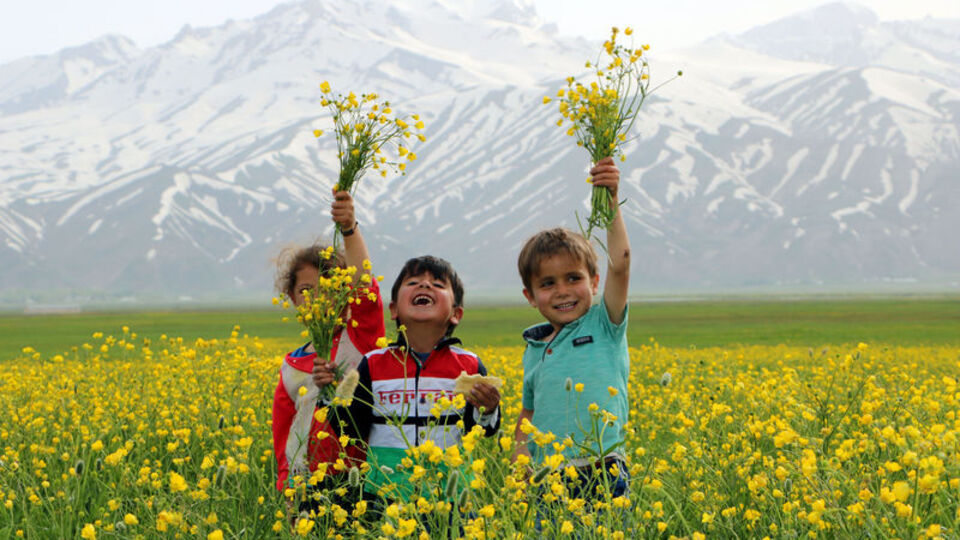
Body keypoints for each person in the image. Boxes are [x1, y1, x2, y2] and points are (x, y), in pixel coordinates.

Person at [325, 255, 501, 509]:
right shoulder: (373, 364)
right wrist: (331, 393)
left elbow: (482, 430)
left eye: (438, 284)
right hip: (386, 494)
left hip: (451, 497)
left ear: (456, 314)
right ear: (394, 310)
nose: (425, 285)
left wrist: (489, 409)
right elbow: (351, 429)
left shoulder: (469, 365)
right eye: (413, 282)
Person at [512, 157, 631, 499]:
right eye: (548, 283)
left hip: (604, 467)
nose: (562, 291)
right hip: (548, 475)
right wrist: (520, 455)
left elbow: (621, 264)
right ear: (530, 296)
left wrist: (611, 201)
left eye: (573, 278)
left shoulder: (605, 323)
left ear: (594, 282)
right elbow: (529, 412)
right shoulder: (534, 347)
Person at [270, 189, 385, 513]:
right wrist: (288, 489)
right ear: (292, 298)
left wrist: (349, 229)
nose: (318, 298)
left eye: (330, 288)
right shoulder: (291, 367)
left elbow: (364, 285)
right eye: (307, 290)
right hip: (307, 488)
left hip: (362, 486)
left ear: (345, 293)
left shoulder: (360, 340)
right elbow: (285, 437)